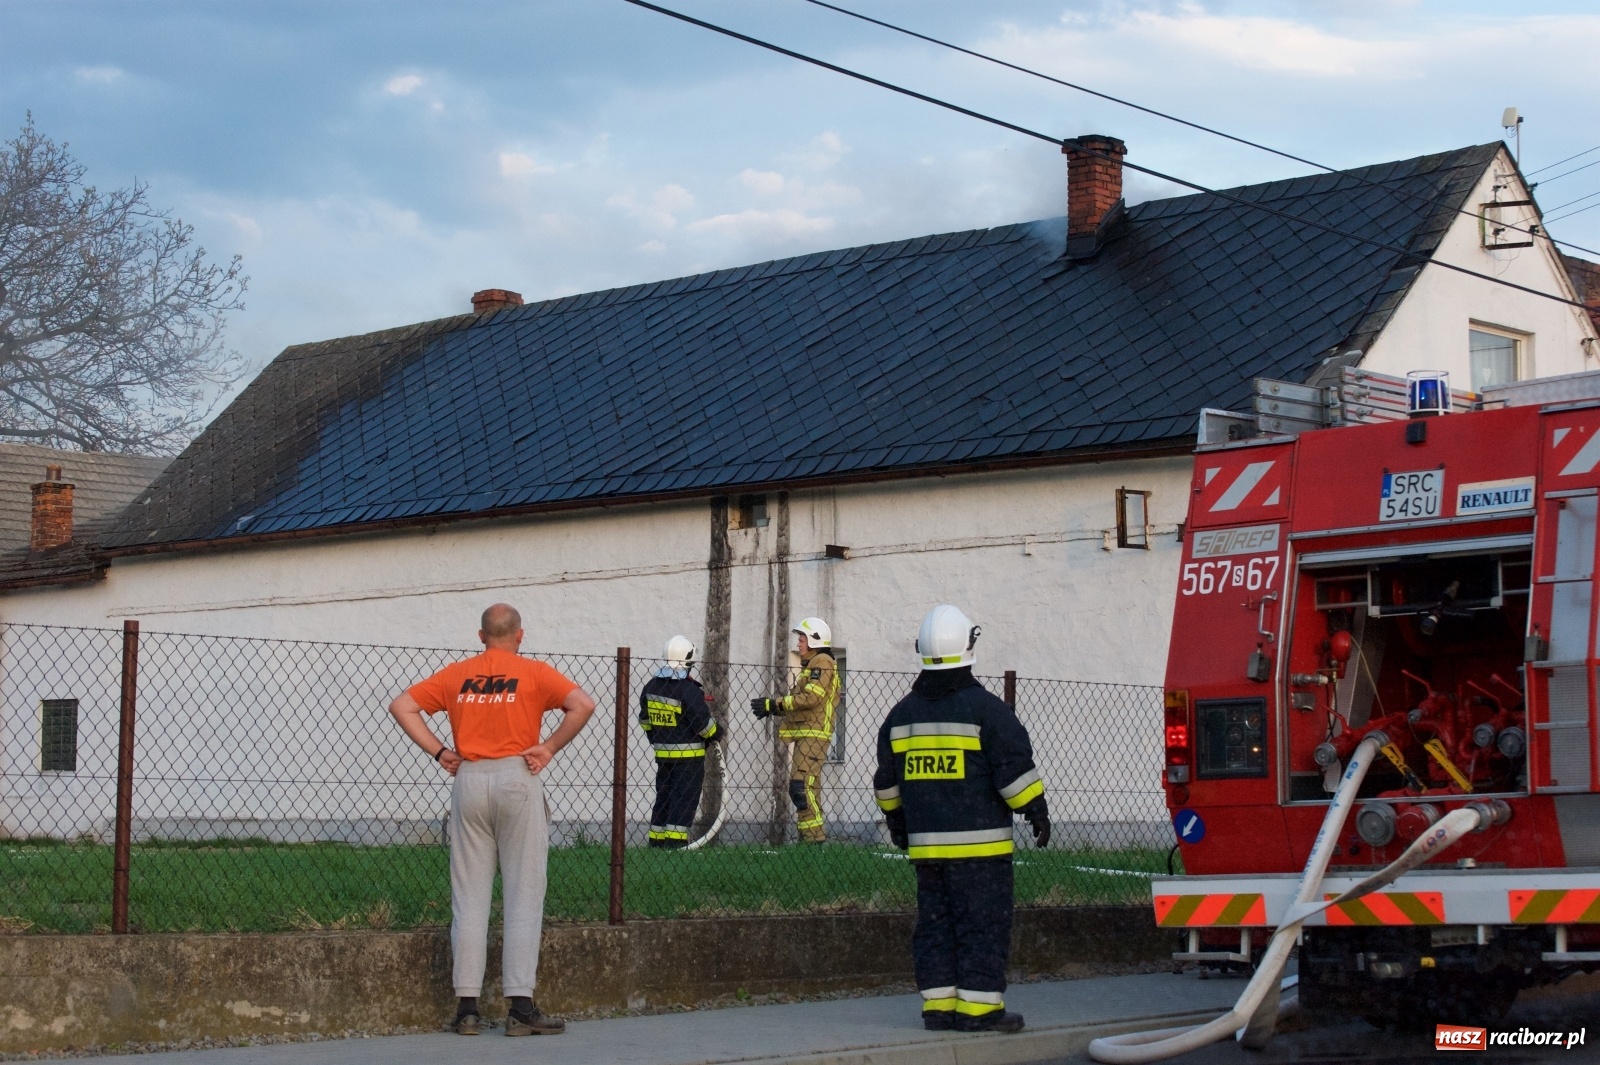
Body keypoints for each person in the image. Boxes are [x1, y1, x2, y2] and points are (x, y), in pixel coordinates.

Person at [388, 603, 596, 1037]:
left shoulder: (456, 674)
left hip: (469, 778)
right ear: (520, 635)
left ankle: (467, 1009)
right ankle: (520, 1008)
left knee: (470, 897)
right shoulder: (536, 673)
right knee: (523, 892)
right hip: (518, 776)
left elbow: (402, 706)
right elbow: (583, 704)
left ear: (481, 636)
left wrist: (441, 752)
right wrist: (549, 747)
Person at [872, 605, 1050, 1034]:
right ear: (969, 645)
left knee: (935, 927)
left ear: (920, 650)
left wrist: (898, 825)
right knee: (982, 927)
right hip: (981, 851)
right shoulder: (986, 710)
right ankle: (979, 1010)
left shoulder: (900, 716)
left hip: (927, 851)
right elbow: (1013, 771)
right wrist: (1036, 809)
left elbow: (886, 784)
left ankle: (938, 1008)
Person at [750, 617, 838, 844]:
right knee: (807, 788)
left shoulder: (822, 662)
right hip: (808, 733)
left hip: (815, 734)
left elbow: (811, 697)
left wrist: (776, 703)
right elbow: (801, 702)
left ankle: (814, 841)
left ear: (814, 640)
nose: (798, 644)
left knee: (800, 787)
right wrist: (772, 708)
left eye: (802, 639)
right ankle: (812, 841)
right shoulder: (813, 665)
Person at [639, 634, 721, 848]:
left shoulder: (651, 687)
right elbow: (704, 726)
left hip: (663, 757)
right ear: (688, 662)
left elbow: (645, 720)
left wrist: (657, 738)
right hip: (689, 760)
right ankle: (675, 848)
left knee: (663, 799)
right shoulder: (688, 690)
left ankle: (656, 845)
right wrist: (716, 731)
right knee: (682, 802)